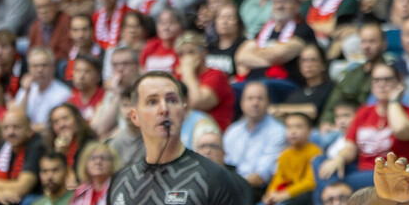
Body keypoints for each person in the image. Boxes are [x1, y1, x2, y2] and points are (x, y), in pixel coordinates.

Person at [106, 72, 248, 205]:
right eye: (152, 102)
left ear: (184, 111)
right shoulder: (121, 180)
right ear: (134, 117)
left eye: (172, 100)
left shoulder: (214, 178)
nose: (164, 109)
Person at [315, 63, 409, 195]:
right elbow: (350, 147)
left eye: (387, 79)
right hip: (363, 173)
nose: (381, 84)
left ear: (399, 83)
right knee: (319, 162)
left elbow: (401, 130)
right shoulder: (364, 112)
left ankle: (334, 193)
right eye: (376, 80)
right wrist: (340, 159)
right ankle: (336, 193)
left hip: (396, 175)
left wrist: (394, 101)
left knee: (327, 184)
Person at [224, 81, 287, 200]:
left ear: (268, 103)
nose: (255, 103)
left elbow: (261, 177)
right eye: (250, 98)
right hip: (231, 186)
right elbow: (224, 162)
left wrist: (229, 187)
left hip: (257, 191)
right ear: (242, 103)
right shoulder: (233, 130)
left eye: (260, 98)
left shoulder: (278, 132)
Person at [262, 112, 321, 205]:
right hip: (282, 195)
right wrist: (270, 193)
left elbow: (310, 182)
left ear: (309, 131)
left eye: (298, 127)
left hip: (301, 196)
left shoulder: (315, 152)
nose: (293, 131)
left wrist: (287, 193)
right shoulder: (285, 154)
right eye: (289, 127)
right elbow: (278, 178)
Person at [19, 47, 73, 131]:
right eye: (35, 66)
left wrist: (28, 128)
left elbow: (59, 124)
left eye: (44, 65)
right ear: (29, 69)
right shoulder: (27, 88)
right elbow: (17, 117)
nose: (40, 70)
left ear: (53, 67)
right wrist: (26, 92)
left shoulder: (64, 93)